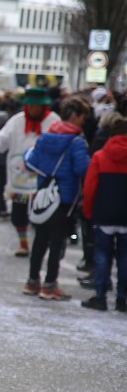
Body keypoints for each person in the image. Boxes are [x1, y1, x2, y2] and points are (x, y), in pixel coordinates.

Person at [20, 96, 90, 300]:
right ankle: (50, 285)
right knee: (57, 242)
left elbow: (32, 162)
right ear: (75, 116)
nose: (83, 122)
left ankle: (32, 281)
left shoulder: (46, 136)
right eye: (83, 117)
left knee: (40, 240)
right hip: (64, 197)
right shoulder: (77, 141)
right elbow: (82, 168)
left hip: (43, 195)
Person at [0, 86, 61, 258]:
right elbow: (2, 139)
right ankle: (23, 242)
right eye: (31, 106)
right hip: (19, 178)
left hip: (43, 177)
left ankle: (41, 244)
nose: (34, 109)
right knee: (18, 213)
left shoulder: (53, 121)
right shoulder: (16, 121)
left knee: (42, 214)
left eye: (37, 106)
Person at [80, 114, 127, 312]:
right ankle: (122, 298)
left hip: (103, 213)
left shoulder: (100, 156)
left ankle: (100, 295)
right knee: (124, 257)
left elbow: (90, 187)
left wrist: (88, 210)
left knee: (102, 254)